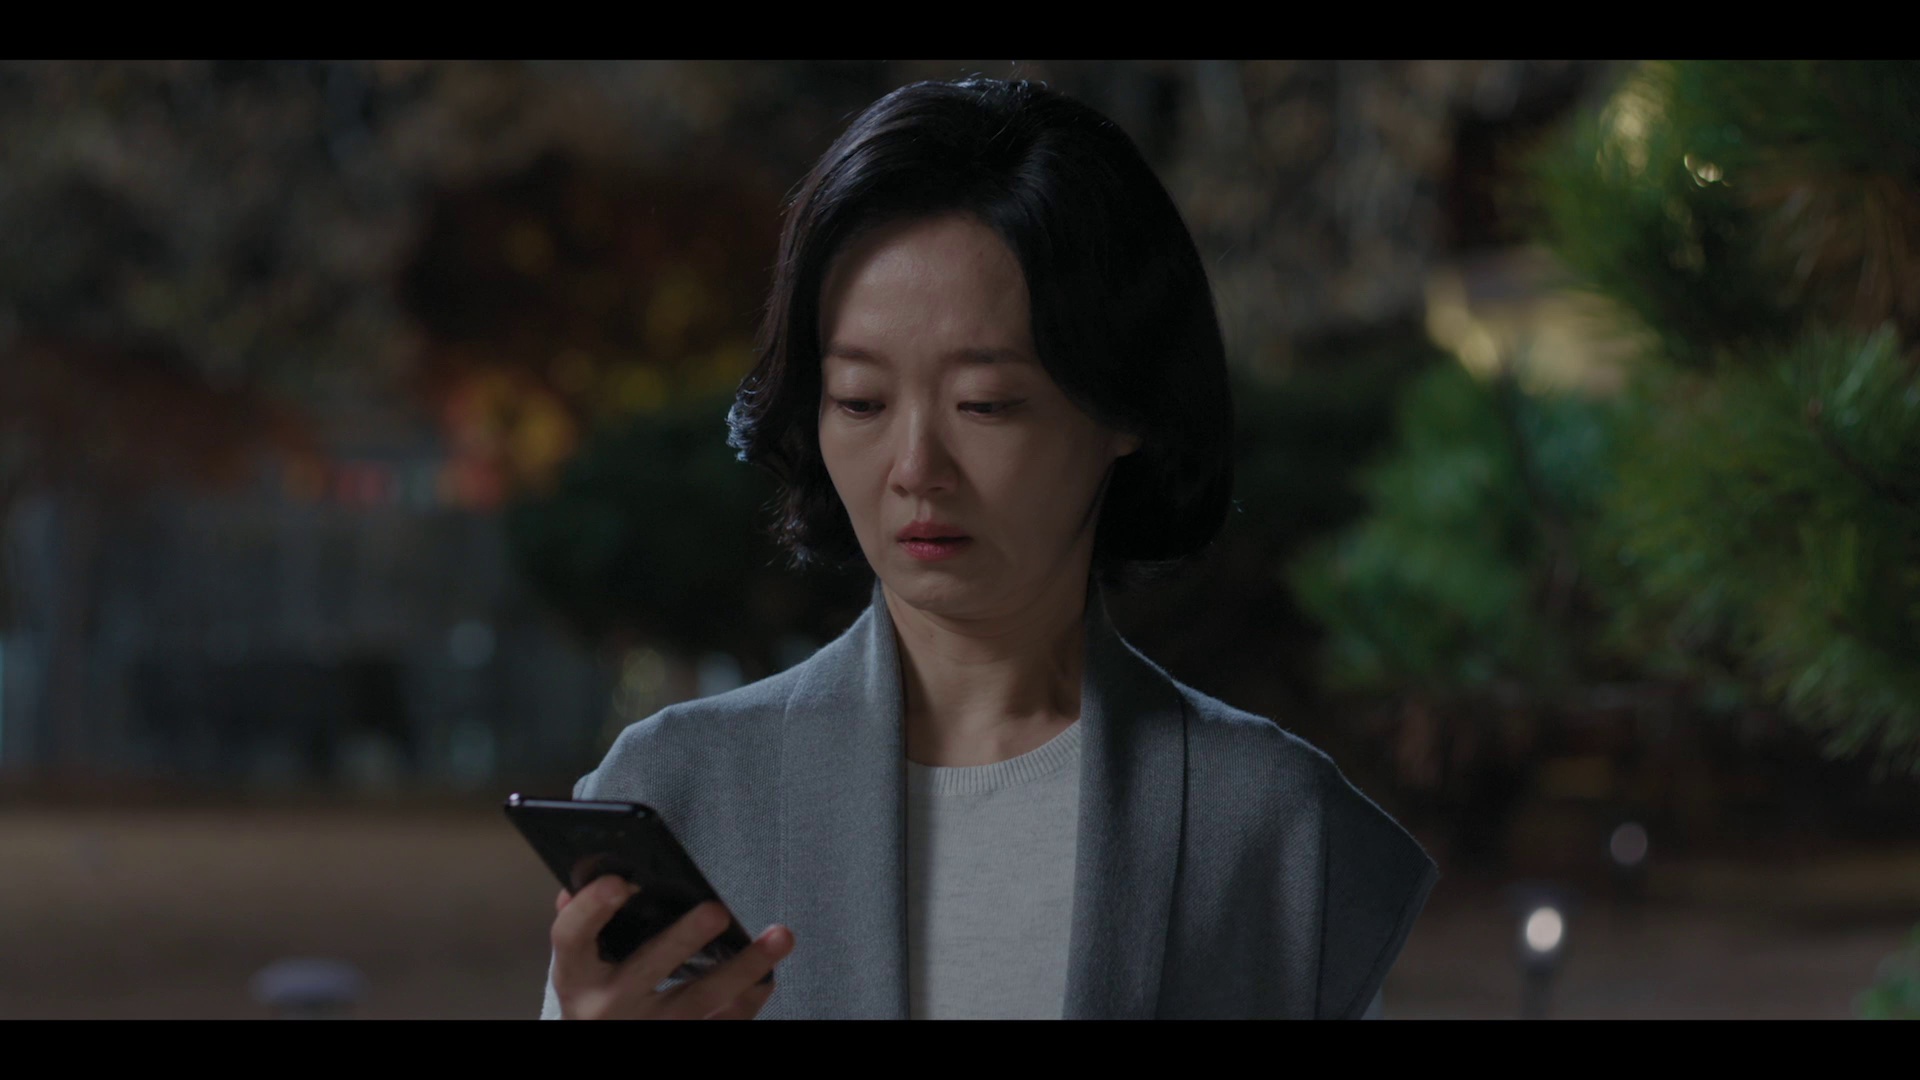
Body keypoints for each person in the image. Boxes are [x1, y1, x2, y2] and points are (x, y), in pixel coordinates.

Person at [541, 76, 1436, 1020]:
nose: (915, 468)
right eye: (861, 402)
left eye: (987, 404)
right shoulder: (681, 789)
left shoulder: (1269, 823)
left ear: (1124, 406)